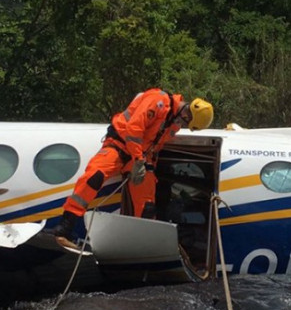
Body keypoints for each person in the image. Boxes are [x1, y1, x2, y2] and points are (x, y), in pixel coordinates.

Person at [50, 89, 214, 247]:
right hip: (119, 146)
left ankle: (140, 243)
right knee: (94, 176)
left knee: (147, 204)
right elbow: (134, 129)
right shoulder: (158, 101)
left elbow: (155, 147)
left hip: (141, 158)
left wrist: (146, 165)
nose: (183, 124)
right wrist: (138, 160)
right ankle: (66, 225)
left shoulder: (174, 124)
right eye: (186, 120)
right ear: (187, 111)